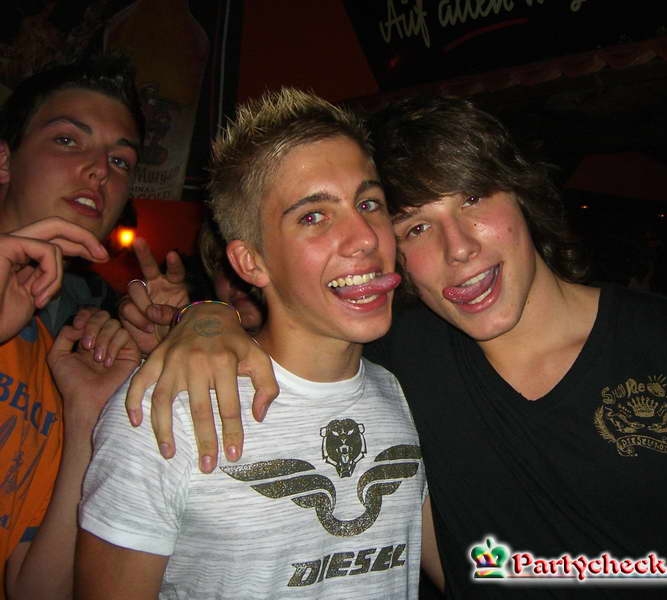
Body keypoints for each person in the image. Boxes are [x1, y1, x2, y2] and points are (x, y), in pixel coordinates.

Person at [130, 96, 667, 598]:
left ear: (523, 196)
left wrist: (202, 316)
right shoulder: (397, 360)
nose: (458, 249)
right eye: (416, 227)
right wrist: (204, 316)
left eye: (474, 199)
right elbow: (294, 331)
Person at [77, 88, 440, 599]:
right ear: (251, 262)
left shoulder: (404, 394)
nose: (365, 237)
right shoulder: (166, 410)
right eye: (313, 216)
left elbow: (471, 568)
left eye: (368, 203)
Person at [0, 54, 145, 598]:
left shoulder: (53, 354)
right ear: (4, 161)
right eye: (67, 140)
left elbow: (36, 590)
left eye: (120, 160)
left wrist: (87, 415)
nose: (100, 169)